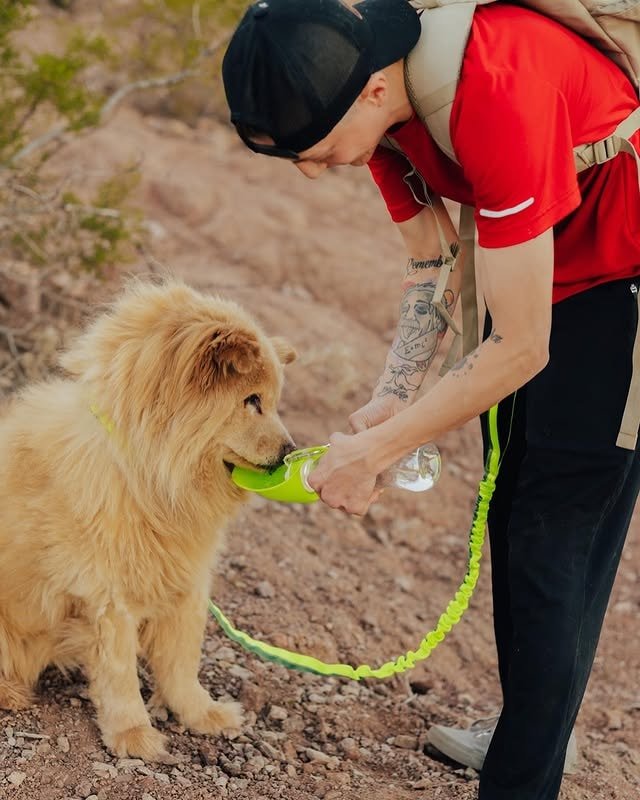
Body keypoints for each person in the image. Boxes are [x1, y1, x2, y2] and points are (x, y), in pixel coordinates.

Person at [222, 0, 640, 798]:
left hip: (622, 274)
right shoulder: (373, 114)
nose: (313, 169)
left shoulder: (495, 86)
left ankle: (524, 776)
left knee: (557, 535)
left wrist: (371, 456)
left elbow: (522, 347)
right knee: (513, 504)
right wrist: (393, 397)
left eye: (313, 151)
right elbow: (432, 263)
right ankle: (532, 738)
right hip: (535, 267)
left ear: (373, 90)